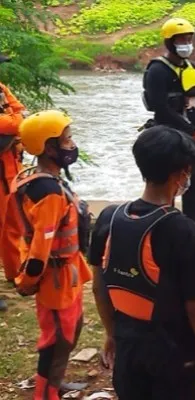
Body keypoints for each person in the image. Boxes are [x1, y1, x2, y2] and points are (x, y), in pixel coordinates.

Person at [89, 125, 195, 399]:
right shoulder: (184, 231)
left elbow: (98, 287)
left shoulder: (109, 218)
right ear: (182, 172)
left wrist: (113, 334)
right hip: (175, 355)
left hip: (128, 345)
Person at [12, 110, 93, 399]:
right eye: (67, 140)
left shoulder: (45, 179)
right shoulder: (48, 192)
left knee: (71, 330)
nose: (72, 145)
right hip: (55, 279)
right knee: (57, 340)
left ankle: (55, 383)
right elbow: (40, 249)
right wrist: (28, 280)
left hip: (68, 272)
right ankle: (46, 394)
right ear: (48, 147)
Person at [142, 17, 195, 249]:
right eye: (182, 40)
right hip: (169, 136)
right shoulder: (157, 71)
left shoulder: (192, 68)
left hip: (194, 138)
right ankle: (164, 232)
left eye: (189, 39)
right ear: (170, 42)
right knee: (167, 185)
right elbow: (161, 108)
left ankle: (194, 231)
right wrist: (191, 130)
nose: (187, 44)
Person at [0, 53, 27, 311]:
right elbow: (13, 121)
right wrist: (14, 123)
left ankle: (15, 272)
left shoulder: (2, 89)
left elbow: (19, 113)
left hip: (10, 169)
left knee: (13, 223)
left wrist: (14, 123)